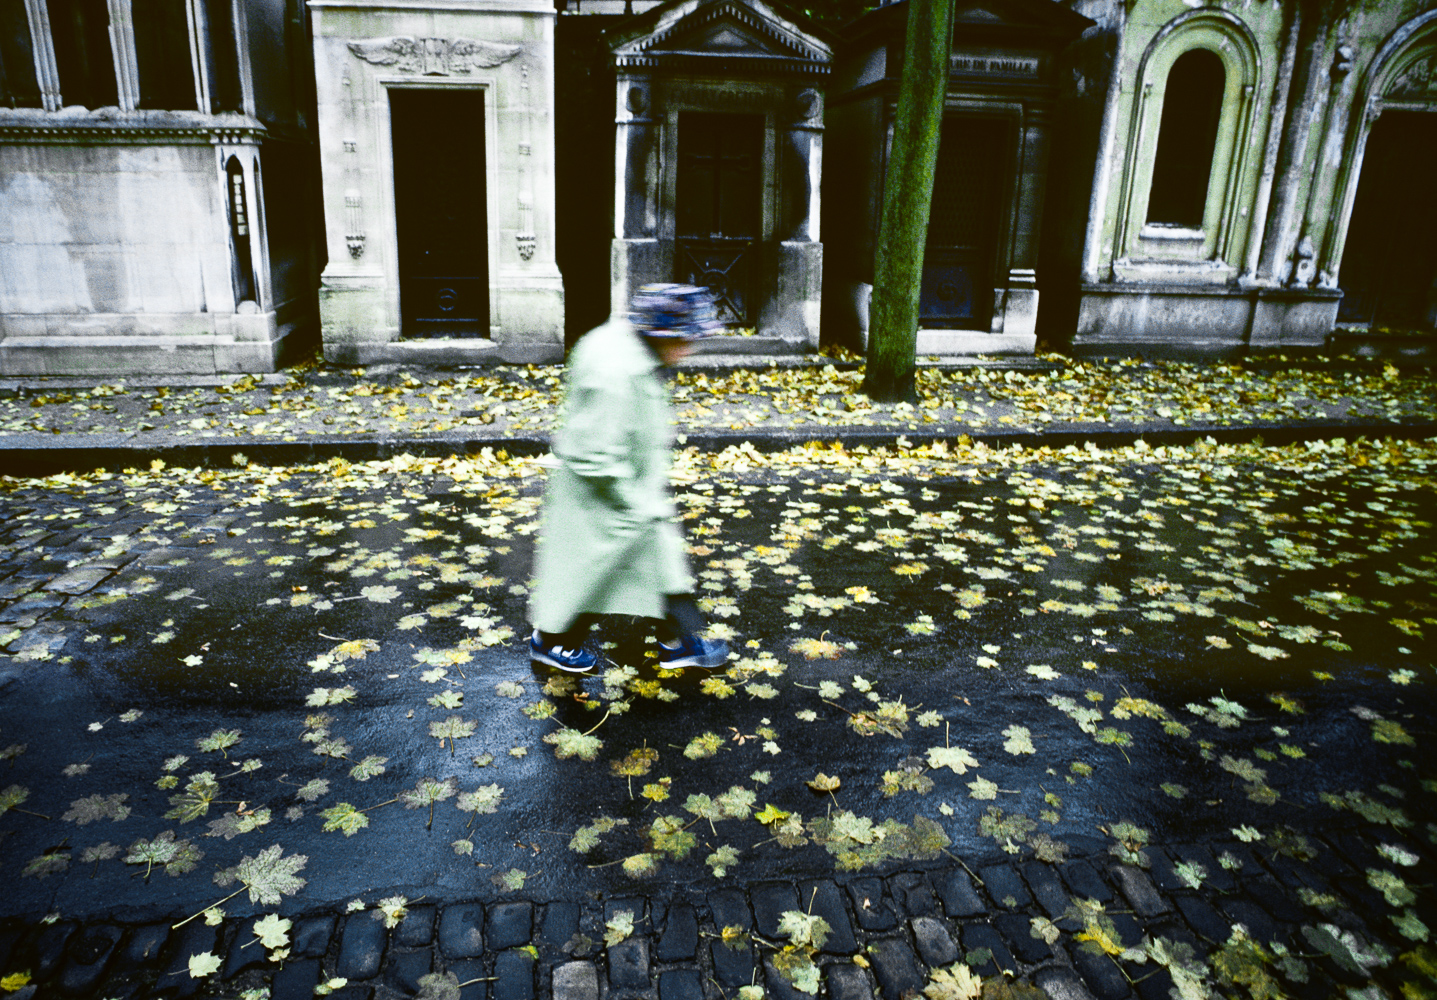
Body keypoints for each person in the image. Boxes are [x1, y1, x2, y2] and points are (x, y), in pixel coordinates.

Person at [527, 284, 732, 674]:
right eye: (686, 340)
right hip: (605, 495)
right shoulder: (616, 370)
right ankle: (551, 642)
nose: (689, 351)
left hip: (622, 490)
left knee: (647, 566)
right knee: (596, 576)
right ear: (662, 334)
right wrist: (632, 501)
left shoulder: (627, 347)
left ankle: (678, 641)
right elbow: (594, 451)